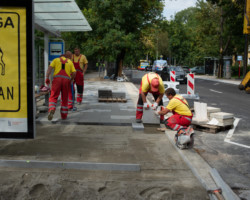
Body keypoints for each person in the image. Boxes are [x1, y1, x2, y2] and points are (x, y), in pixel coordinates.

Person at [45, 51, 76, 120]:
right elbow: (74, 73)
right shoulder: (70, 62)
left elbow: (49, 69)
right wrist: (71, 80)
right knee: (64, 98)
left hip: (57, 80)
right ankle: (64, 116)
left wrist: (47, 77)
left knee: (53, 96)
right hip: (66, 81)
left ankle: (52, 109)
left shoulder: (56, 60)